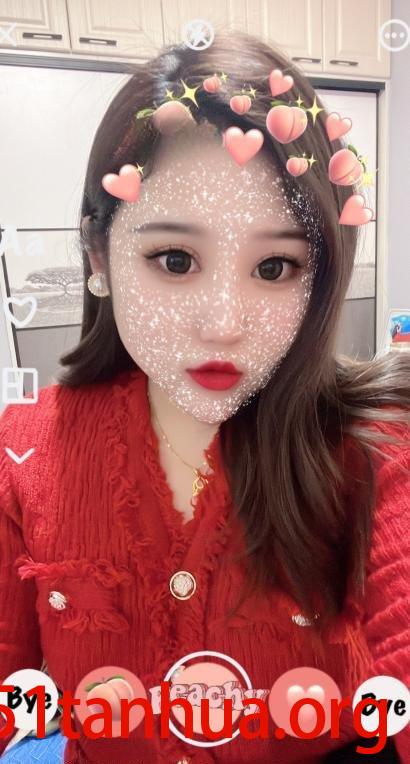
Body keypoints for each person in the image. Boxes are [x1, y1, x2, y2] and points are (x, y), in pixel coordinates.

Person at [0, 30, 409, 764]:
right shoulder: (23, 457)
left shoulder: (374, 448)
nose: (223, 323)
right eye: (175, 259)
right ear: (99, 254)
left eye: (276, 267)